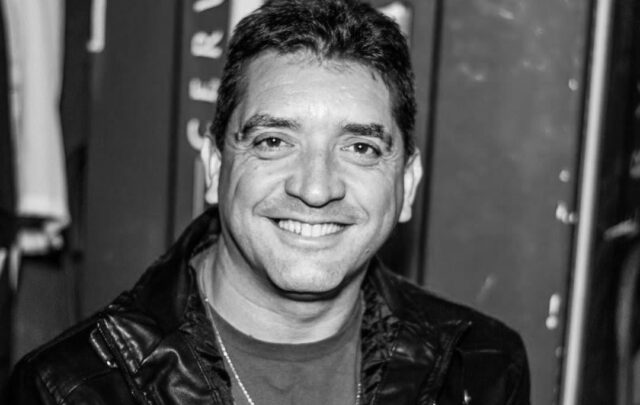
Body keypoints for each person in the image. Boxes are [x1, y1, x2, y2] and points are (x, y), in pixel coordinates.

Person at [7, 0, 530, 403]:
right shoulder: (70, 389)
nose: (316, 188)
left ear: (407, 184)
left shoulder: (480, 369)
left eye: (360, 147)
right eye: (274, 141)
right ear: (215, 167)